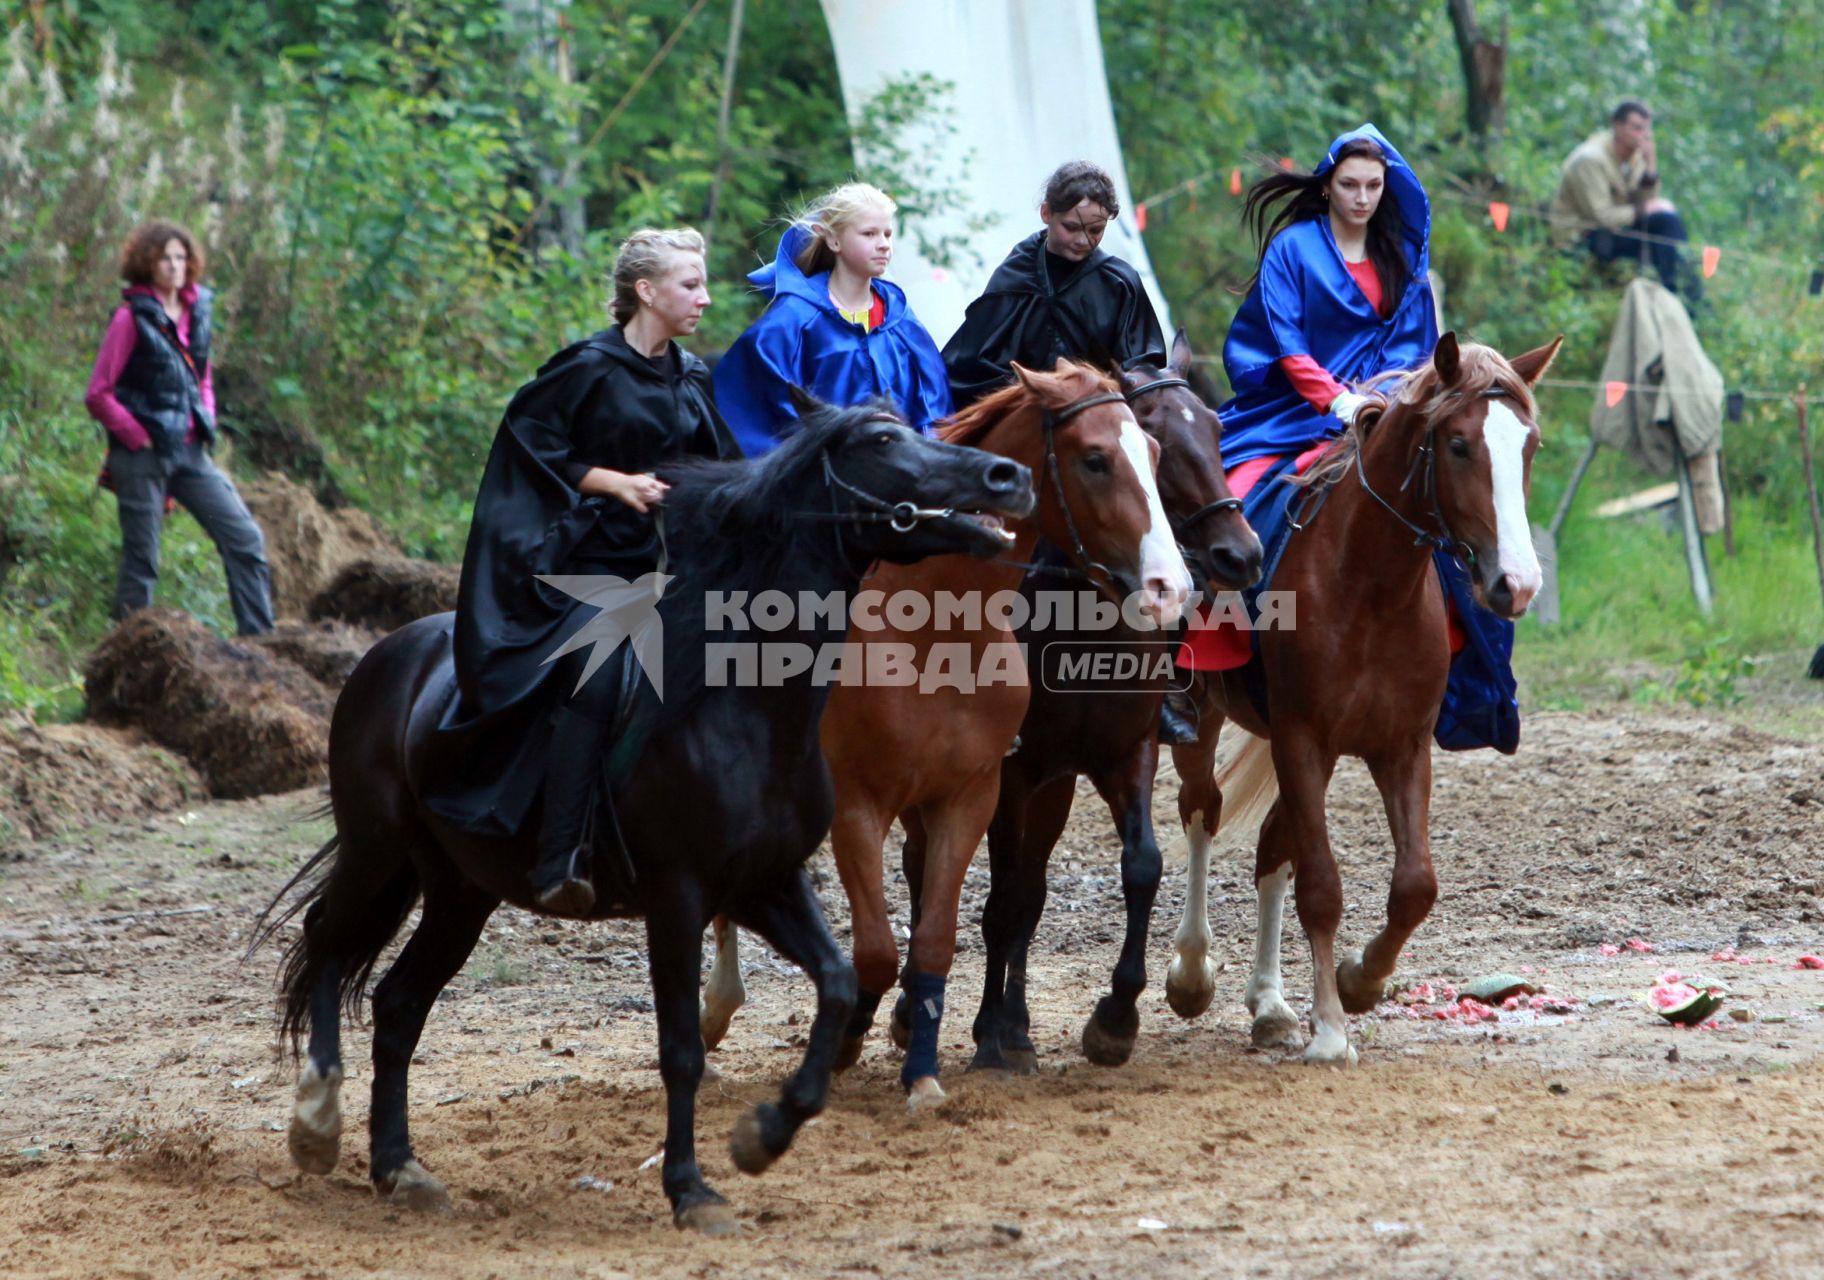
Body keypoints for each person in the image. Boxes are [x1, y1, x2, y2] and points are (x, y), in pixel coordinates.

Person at [436, 227, 739, 915]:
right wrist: (615, 483)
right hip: (585, 565)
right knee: (602, 672)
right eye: (690, 284)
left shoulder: (693, 376)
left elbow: (722, 468)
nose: (705, 297)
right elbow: (528, 452)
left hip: (671, 572)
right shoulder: (587, 367)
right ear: (646, 291)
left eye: (702, 283)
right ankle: (560, 855)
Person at [84, 219, 275, 636]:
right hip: (141, 456)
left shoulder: (197, 309)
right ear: (146, 264)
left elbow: (201, 376)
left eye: (180, 257)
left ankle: (263, 647)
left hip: (189, 453)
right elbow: (99, 393)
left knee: (243, 538)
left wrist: (205, 414)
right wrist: (137, 436)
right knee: (143, 559)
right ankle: (125, 660)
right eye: (164, 258)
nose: (173, 266)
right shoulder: (130, 318)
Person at [712, 182, 951, 454]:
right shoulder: (793, 321)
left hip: (902, 480)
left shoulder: (901, 322)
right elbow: (754, 411)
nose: (883, 245)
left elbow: (935, 411)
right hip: (823, 484)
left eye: (887, 234)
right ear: (833, 239)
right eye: (869, 234)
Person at [941, 160, 1166, 406]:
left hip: (1102, 416)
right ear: (1047, 213)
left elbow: (1142, 372)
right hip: (1021, 413)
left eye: (1095, 230)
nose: (1083, 240)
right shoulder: (1015, 276)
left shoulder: (1119, 284)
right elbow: (971, 366)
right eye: (1071, 227)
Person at [1550, 100, 1698, 303]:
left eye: (1647, 129)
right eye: (1637, 128)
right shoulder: (1590, 160)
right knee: (1660, 226)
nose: (1643, 135)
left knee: (1667, 222)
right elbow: (1601, 216)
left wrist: (1650, 168)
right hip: (1582, 237)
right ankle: (1680, 298)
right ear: (1617, 126)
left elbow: (1646, 204)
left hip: (1617, 229)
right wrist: (1645, 209)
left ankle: (1682, 295)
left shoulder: (1635, 158)